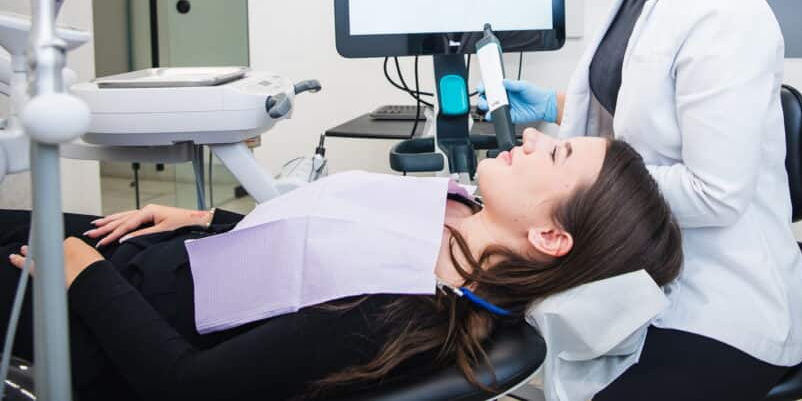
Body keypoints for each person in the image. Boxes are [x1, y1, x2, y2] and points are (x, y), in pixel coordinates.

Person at [480, 0, 802, 400]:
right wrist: (554, 107)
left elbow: (715, 194)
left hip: (722, 298)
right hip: (647, 272)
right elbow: (646, 107)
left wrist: (566, 185)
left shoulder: (724, 8)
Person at [0, 129, 681, 401]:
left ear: (551, 237)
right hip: (146, 258)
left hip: (100, 313)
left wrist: (80, 272)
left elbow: (188, 387)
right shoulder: (456, 216)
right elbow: (323, 244)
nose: (533, 137)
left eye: (556, 155)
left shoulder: (396, 310)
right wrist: (206, 221)